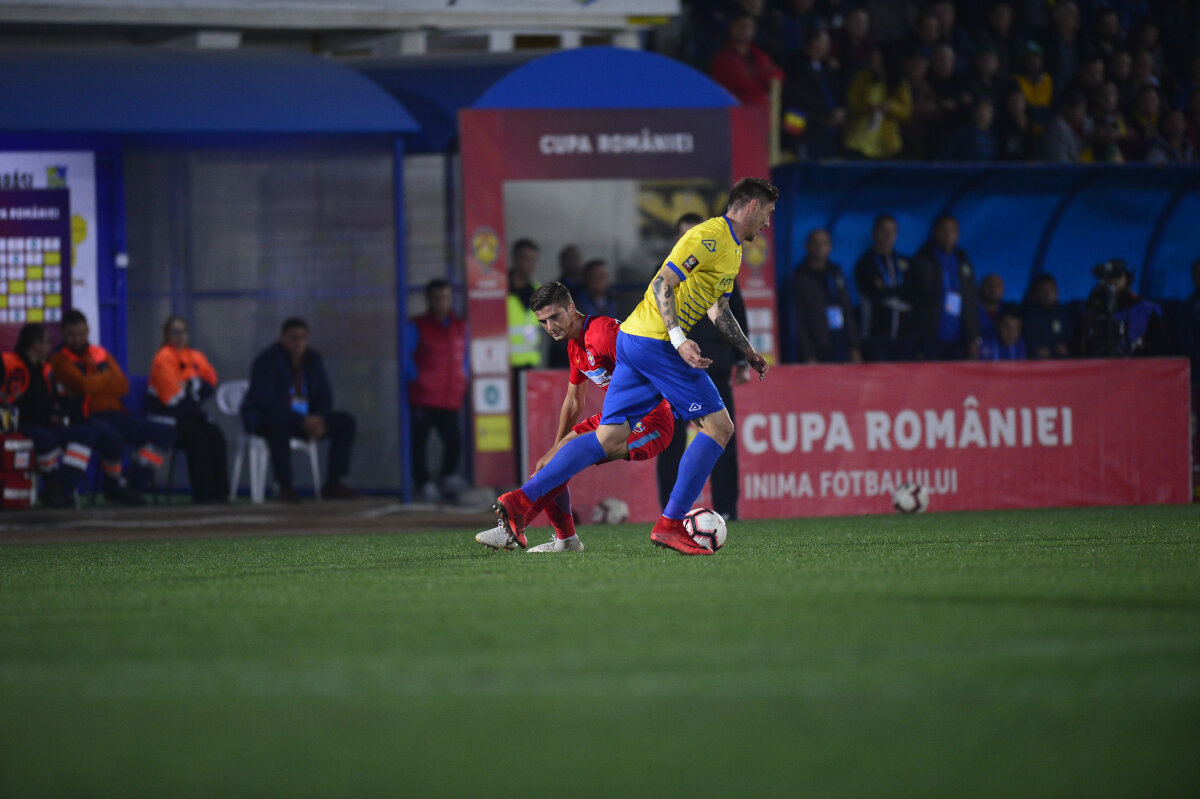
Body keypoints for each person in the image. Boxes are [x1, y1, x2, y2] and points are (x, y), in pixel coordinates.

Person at [492, 177, 776, 556]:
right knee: (719, 427)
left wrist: (747, 350)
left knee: (609, 438)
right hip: (655, 342)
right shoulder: (709, 235)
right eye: (768, 213)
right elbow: (662, 284)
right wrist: (678, 339)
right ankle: (671, 524)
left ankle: (518, 501)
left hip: (635, 340)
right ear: (752, 206)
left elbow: (719, 310)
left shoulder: (734, 251)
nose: (768, 223)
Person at [476, 281, 676, 552]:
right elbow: (573, 401)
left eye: (555, 317)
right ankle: (564, 540)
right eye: (543, 322)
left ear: (571, 308)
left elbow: (649, 363)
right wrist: (556, 447)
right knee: (550, 463)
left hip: (651, 419)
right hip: (616, 416)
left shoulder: (604, 333)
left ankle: (517, 519)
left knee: (566, 461)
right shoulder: (575, 345)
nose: (550, 327)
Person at [656, 213, 751, 522]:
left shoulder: (722, 266)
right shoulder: (663, 275)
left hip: (715, 364)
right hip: (673, 368)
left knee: (723, 437)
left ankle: (727, 508)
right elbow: (649, 319)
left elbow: (734, 312)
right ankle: (670, 512)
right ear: (677, 241)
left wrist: (742, 358)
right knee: (668, 441)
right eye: (686, 235)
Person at [49, 309, 174, 505]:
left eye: (81, 334)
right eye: (71, 335)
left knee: (166, 432)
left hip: (116, 414)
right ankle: (113, 486)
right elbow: (83, 386)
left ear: (88, 331)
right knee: (112, 438)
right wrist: (105, 377)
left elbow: (122, 386)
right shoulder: (59, 359)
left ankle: (131, 482)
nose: (77, 339)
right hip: (88, 416)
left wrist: (96, 381)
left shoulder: (100, 353)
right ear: (63, 334)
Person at [241, 317, 357, 503]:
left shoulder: (313, 360)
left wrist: (318, 418)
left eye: (302, 337)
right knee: (277, 423)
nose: (298, 342)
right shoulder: (267, 360)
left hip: (308, 419)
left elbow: (325, 395)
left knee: (345, 422)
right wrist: (301, 420)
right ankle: (285, 486)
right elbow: (266, 400)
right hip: (274, 419)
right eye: (293, 337)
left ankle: (333, 484)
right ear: (282, 338)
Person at [1, 323, 94, 508]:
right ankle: (54, 489)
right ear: (36, 345)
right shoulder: (8, 362)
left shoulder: (46, 369)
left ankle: (61, 488)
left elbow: (55, 400)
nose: (49, 347)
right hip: (18, 425)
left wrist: (60, 412)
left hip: (46, 425)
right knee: (47, 440)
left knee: (87, 435)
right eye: (46, 342)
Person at [146, 315, 228, 504]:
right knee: (197, 437)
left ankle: (220, 492)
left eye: (183, 331)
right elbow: (173, 397)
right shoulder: (163, 358)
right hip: (167, 416)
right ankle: (203, 494)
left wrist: (190, 386)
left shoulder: (195, 356)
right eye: (175, 332)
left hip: (190, 412)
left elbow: (210, 383)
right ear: (167, 334)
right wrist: (195, 388)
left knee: (215, 435)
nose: (180, 336)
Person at [407, 279, 468, 504]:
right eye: (437, 297)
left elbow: (465, 359)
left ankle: (446, 477)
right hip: (423, 396)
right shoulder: (417, 325)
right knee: (419, 443)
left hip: (450, 396)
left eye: (445, 297)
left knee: (454, 439)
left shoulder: (460, 326)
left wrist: (464, 380)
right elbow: (406, 358)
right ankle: (422, 483)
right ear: (428, 299)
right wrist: (418, 379)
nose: (441, 302)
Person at [912, 215, 980, 360]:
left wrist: (973, 337)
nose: (948, 235)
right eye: (944, 230)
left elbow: (972, 301)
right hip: (930, 336)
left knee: (957, 382)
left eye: (953, 231)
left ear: (958, 234)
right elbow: (915, 298)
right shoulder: (923, 259)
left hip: (959, 337)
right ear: (935, 232)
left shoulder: (963, 260)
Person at [792, 228, 861, 363]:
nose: (820, 247)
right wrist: (808, 355)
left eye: (824, 243)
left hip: (840, 343)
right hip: (817, 347)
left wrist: (854, 347)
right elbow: (798, 319)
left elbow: (847, 309)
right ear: (808, 246)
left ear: (830, 247)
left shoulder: (835, 272)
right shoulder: (800, 277)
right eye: (816, 243)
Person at [1079, 259, 1171, 357]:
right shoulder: (1096, 305)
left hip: (1136, 364)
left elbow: (1162, 346)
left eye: (1118, 276)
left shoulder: (1144, 309)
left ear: (1127, 278)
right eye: (1110, 277)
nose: (1114, 281)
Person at [854, 213, 914, 362]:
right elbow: (874, 293)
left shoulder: (904, 262)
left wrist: (888, 291)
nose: (888, 236)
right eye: (884, 231)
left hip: (904, 337)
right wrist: (896, 292)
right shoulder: (866, 263)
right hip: (876, 337)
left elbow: (913, 292)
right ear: (875, 233)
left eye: (892, 231)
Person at [784, 28, 845, 160]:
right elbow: (798, 98)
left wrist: (840, 110)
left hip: (828, 123)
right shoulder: (795, 63)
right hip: (800, 120)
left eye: (826, 43)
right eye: (821, 42)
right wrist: (828, 113)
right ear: (811, 43)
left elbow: (836, 91)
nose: (824, 47)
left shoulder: (826, 66)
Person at [842, 46, 913, 159]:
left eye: (877, 56)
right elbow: (851, 104)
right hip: (858, 139)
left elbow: (907, 111)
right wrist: (869, 108)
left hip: (886, 142)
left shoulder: (899, 83)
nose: (873, 59)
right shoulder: (862, 77)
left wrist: (891, 107)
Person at [709, 13, 784, 107]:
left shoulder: (758, 54)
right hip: (733, 109)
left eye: (749, 27)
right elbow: (739, 83)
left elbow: (777, 75)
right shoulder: (723, 57)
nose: (745, 30)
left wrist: (756, 74)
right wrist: (762, 79)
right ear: (732, 28)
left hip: (760, 110)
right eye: (741, 26)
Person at [507, 238, 543, 370]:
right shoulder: (501, 290)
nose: (531, 264)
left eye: (534, 260)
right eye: (527, 259)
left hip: (530, 366)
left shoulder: (538, 290)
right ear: (515, 259)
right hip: (506, 366)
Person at [1022, 273, 1072, 359]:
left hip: (1060, 362)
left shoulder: (1062, 312)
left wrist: (1064, 346)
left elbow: (1068, 336)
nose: (1048, 294)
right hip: (1036, 362)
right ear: (1035, 294)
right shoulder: (1027, 314)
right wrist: (1035, 350)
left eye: (1051, 290)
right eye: (1043, 291)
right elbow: (1024, 340)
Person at [1041, 88, 1089, 163]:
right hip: (1061, 172)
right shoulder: (1056, 129)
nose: (1081, 115)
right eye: (1076, 111)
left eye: (1082, 111)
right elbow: (1059, 161)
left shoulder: (1085, 124)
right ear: (1066, 109)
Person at [977, 273, 1005, 344]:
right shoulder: (971, 311)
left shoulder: (1008, 312)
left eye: (998, 285)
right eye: (990, 285)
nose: (994, 289)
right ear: (981, 287)